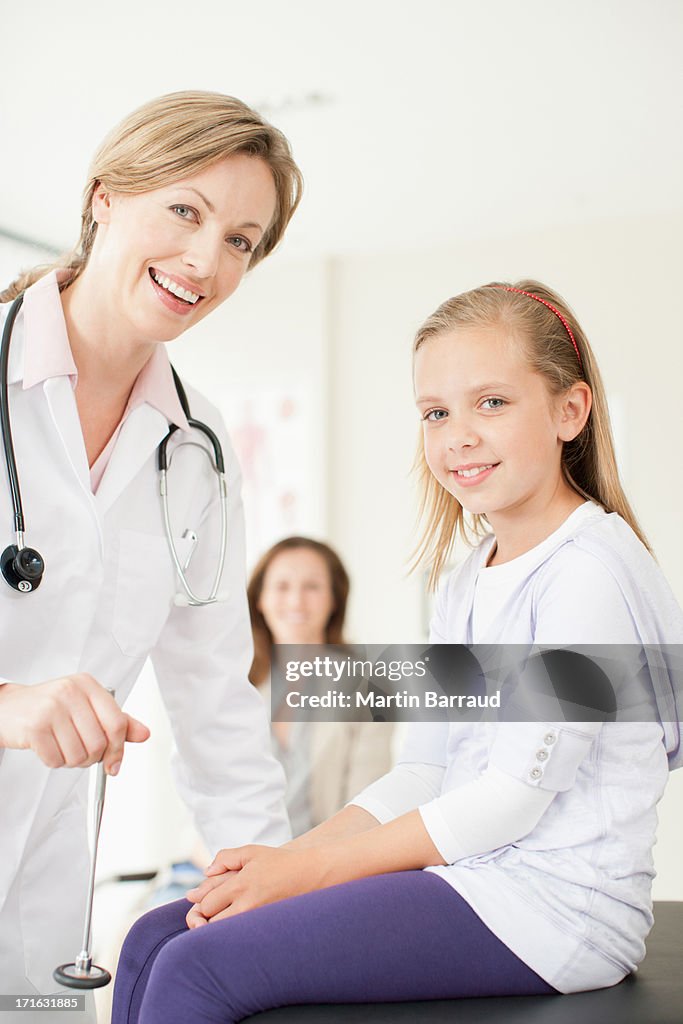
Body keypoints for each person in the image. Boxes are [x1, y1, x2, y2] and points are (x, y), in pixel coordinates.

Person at [112, 280, 683, 1023]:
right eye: (435, 413)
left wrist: (310, 871)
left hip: (555, 911)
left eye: (492, 403)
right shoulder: (464, 575)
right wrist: (289, 859)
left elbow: (510, 800)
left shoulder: (589, 573)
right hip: (477, 877)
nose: (458, 435)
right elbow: (424, 768)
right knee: (154, 936)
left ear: (568, 412)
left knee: (194, 969)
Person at [0, 90, 303, 1010]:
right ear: (102, 198)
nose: (206, 260)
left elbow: (215, 699)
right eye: (185, 210)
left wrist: (270, 891)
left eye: (242, 240)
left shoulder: (198, 450)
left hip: (45, 889)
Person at [248, 536, 393, 835]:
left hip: (322, 864)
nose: (296, 601)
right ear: (260, 599)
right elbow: (205, 799)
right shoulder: (233, 683)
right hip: (225, 861)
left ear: (334, 599)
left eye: (312, 587)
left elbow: (365, 812)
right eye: (282, 586)